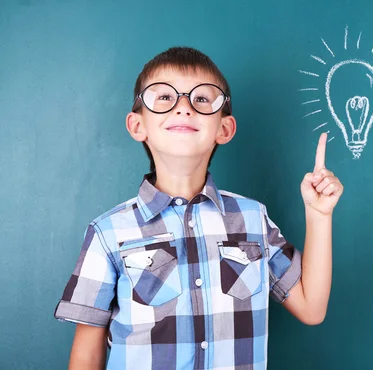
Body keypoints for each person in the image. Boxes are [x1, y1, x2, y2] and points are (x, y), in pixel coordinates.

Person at [54, 46, 344, 370]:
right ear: (138, 126)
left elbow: (312, 308)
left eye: (202, 99)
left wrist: (320, 215)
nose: (183, 108)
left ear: (224, 129)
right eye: (164, 98)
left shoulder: (252, 219)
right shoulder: (108, 233)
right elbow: (87, 352)